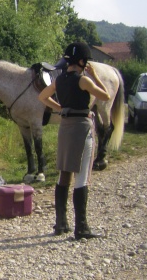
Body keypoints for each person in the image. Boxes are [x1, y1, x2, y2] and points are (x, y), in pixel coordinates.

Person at [38, 42, 110, 240]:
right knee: (82, 176)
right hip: (81, 128)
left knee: (64, 173)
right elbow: (106, 95)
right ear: (82, 61)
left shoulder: (59, 80)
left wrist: (60, 108)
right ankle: (82, 227)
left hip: (65, 127)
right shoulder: (83, 80)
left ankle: (61, 223)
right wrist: (94, 77)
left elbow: (43, 96)